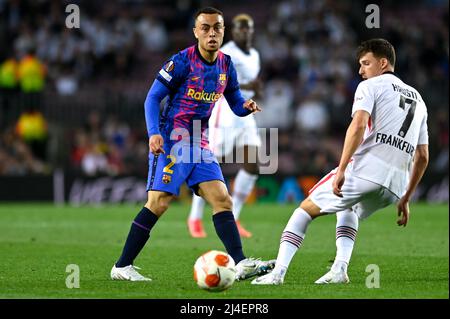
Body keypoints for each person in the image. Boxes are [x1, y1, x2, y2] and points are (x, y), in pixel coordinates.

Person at [110, 7, 275, 282]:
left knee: (222, 199)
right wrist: (153, 133)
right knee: (159, 202)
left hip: (199, 139)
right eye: (206, 28)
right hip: (173, 139)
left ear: (223, 31)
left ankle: (242, 262)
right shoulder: (181, 62)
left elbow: (234, 101)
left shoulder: (226, 64)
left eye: (217, 28)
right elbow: (152, 98)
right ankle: (122, 267)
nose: (212, 33)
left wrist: (246, 107)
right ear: (196, 32)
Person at [252, 38, 429, 285]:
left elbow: (357, 125)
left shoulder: (370, 86)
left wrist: (342, 168)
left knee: (303, 211)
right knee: (349, 208)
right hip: (395, 186)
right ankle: (339, 269)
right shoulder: (419, 100)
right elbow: (422, 156)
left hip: (367, 171)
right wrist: (407, 196)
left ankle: (277, 273)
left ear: (383, 62)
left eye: (366, 63)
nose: (361, 70)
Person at [187, 13, 262, 238]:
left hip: (246, 113)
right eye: (240, 29)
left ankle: (235, 216)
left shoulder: (255, 54)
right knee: (210, 166)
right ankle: (195, 218)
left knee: (254, 163)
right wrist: (248, 84)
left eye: (248, 28)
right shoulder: (225, 51)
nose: (244, 32)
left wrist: (256, 90)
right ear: (233, 31)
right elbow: (216, 78)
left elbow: (252, 85)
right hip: (226, 112)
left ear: (252, 30)